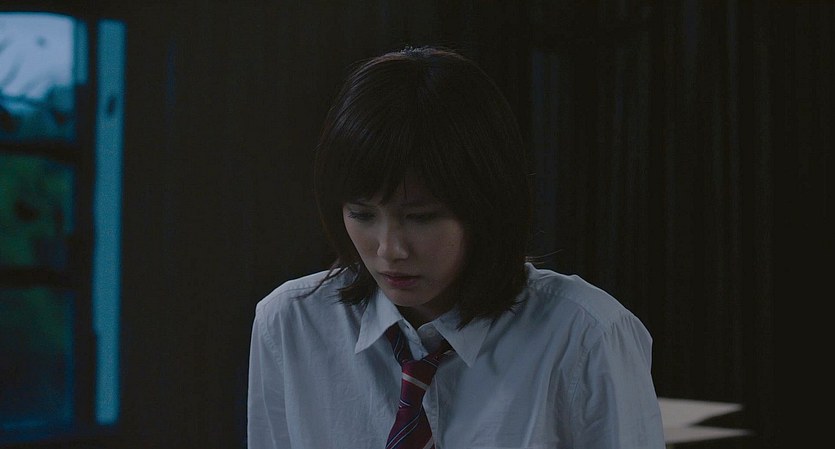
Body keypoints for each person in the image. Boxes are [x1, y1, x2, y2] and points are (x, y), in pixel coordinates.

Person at [247, 46, 666, 449]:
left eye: (421, 217)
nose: (390, 250)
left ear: (486, 205)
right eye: (362, 214)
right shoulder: (291, 325)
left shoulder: (584, 336)